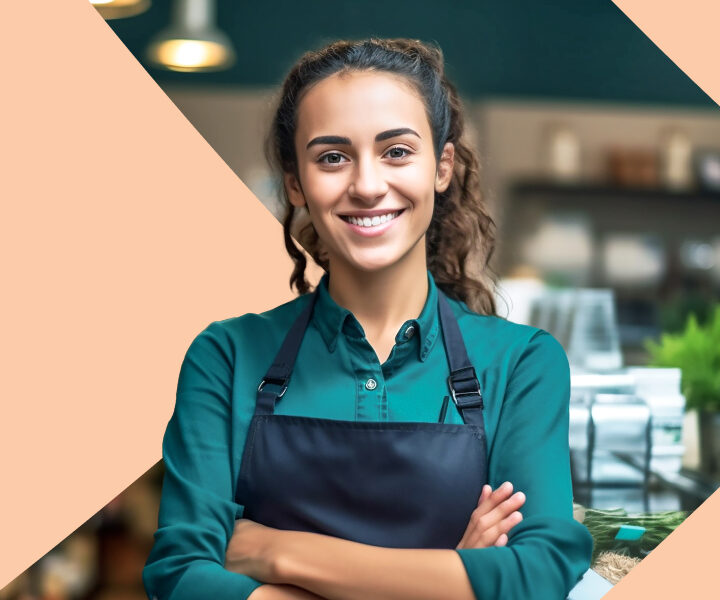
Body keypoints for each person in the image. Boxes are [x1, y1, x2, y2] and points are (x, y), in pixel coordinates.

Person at [142, 37, 594, 600]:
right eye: (332, 157)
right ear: (295, 183)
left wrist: (281, 553)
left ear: (442, 166)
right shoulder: (225, 356)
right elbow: (181, 576)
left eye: (397, 151)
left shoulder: (522, 363)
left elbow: (542, 573)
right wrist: (453, 575)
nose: (366, 185)